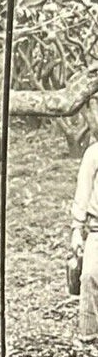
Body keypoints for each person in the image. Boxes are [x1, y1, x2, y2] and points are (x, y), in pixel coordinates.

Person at [71, 135, 98, 342]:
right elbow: (83, 191)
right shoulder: (93, 153)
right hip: (97, 227)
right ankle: (88, 335)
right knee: (89, 277)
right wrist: (77, 229)